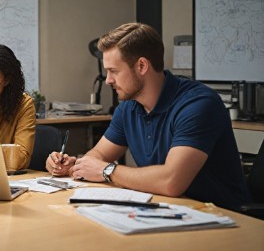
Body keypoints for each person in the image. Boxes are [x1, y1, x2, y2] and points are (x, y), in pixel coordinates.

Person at [47, 22, 251, 210]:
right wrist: (78, 166)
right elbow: (99, 155)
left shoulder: (198, 105)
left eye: (113, 71)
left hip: (221, 216)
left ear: (142, 66)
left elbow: (171, 182)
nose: (108, 80)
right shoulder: (127, 108)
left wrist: (106, 171)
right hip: (167, 210)